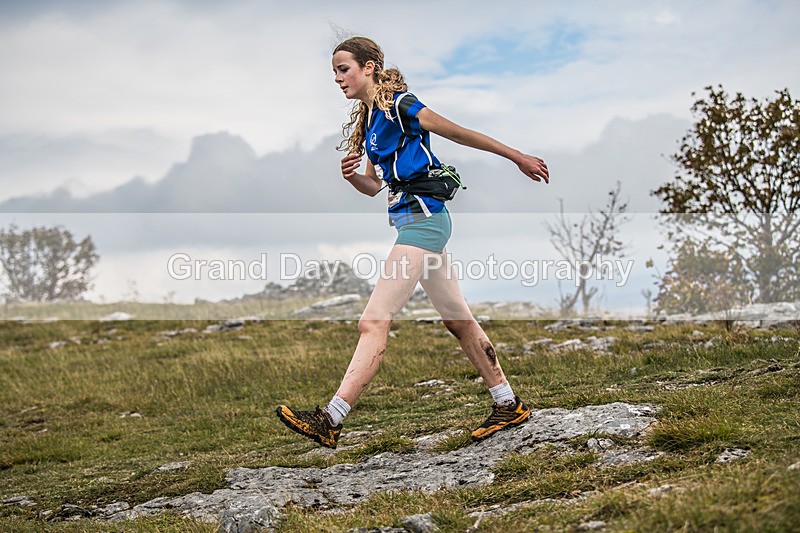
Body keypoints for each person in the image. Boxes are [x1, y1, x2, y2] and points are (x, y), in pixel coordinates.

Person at [276, 36, 549, 449]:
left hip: (424, 223)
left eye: (343, 69)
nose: (337, 78)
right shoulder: (370, 121)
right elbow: (373, 186)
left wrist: (517, 157)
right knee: (458, 321)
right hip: (414, 223)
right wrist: (352, 177)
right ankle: (508, 403)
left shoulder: (401, 105)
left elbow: (458, 133)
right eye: (334, 72)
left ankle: (331, 419)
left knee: (373, 321)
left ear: (369, 67)